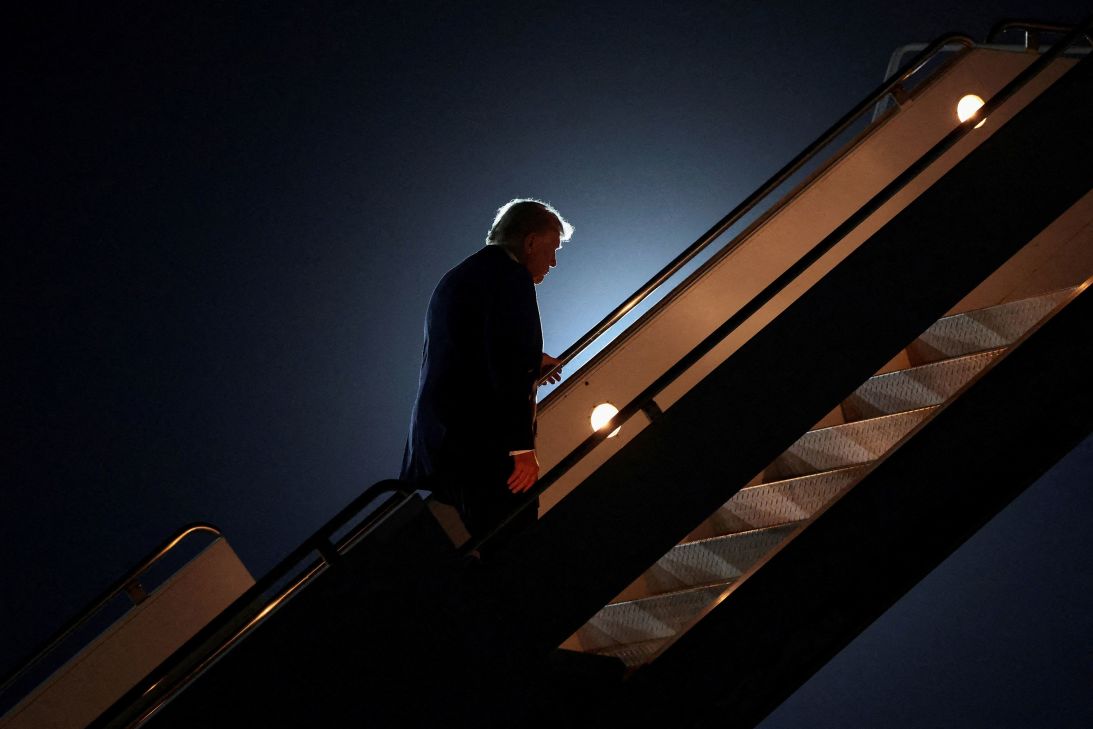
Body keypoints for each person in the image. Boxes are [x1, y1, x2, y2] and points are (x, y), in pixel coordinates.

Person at [401, 199, 572, 555]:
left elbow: (472, 348)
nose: (553, 262)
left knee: (489, 542)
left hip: (440, 442)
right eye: (552, 249)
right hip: (481, 444)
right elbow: (510, 366)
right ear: (530, 242)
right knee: (516, 542)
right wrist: (521, 447)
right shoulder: (512, 277)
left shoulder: (459, 276)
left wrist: (531, 357)